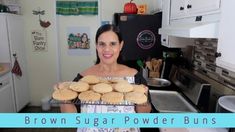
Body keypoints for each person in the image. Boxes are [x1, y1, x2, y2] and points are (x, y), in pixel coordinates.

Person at [60, 24, 152, 131]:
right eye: (102, 44)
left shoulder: (134, 77)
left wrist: (143, 99)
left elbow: (143, 115)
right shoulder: (83, 78)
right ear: (96, 46)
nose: (107, 49)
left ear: (121, 45)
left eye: (113, 44)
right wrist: (63, 94)